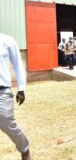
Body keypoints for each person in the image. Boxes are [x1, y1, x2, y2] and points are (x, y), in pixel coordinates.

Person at [0, 32, 31, 160]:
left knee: (7, 122)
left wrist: (21, 88)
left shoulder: (7, 40)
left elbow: (18, 64)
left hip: (2, 91)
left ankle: (24, 149)